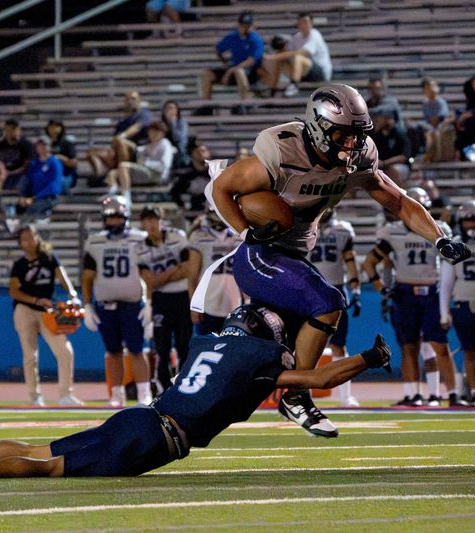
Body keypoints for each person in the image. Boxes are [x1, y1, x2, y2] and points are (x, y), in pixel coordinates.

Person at [192, 84, 473, 438]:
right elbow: (220, 188)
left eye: (357, 135)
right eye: (342, 133)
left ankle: (205, 395)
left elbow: (398, 201)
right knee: (327, 303)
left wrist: (440, 238)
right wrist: (244, 231)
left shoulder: (359, 157)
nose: (351, 143)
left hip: (293, 256)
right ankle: (296, 397)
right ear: (317, 126)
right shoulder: (282, 149)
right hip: (261, 253)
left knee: (269, 347)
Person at [0, 305, 392, 479]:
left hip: (142, 416)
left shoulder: (208, 345)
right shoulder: (256, 361)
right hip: (154, 437)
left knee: (41, 449)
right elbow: (319, 379)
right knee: (50, 466)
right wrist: (369, 358)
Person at [363, 187, 467, 407]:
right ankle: (413, 394)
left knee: (439, 345)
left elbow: (450, 264)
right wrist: (382, 288)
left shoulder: (440, 230)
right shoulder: (393, 232)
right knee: (409, 346)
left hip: (432, 291)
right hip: (405, 292)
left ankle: (451, 394)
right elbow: (369, 262)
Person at [82, 196, 153, 407]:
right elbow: (87, 276)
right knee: (113, 352)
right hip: (106, 305)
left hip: (132, 304)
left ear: (126, 218)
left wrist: (150, 302)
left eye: (117, 218)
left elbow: (148, 273)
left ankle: (143, 394)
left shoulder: (139, 238)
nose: (113, 222)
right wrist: (87, 305)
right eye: (109, 218)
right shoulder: (95, 240)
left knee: (136, 350)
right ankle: (116, 394)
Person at [9, 225, 83, 406]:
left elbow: (63, 278)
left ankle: (66, 394)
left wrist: (73, 295)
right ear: (20, 242)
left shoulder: (49, 258)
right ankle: (34, 396)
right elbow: (14, 291)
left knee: (65, 351)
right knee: (30, 355)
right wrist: (36, 300)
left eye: (32, 236)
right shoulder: (19, 265)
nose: (30, 241)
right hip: (25, 309)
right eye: (25, 238)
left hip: (48, 311)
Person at [136, 206, 197, 394]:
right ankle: (165, 391)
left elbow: (188, 268)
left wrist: (161, 276)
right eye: (147, 220)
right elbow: (150, 282)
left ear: (161, 220)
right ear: (142, 223)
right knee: (162, 349)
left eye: (154, 219)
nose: (151, 224)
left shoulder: (177, 236)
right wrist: (173, 271)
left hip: (181, 297)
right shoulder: (140, 247)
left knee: (184, 347)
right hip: (161, 299)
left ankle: (184, 388)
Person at [309, 209, 362, 406]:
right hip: (309, 289)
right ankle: (301, 394)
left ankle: (345, 396)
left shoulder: (343, 229)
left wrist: (355, 289)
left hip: (335, 289)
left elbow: (350, 259)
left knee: (339, 344)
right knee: (305, 344)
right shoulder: (302, 224)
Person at [440, 201, 475, 404]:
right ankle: (473, 391)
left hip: (465, 305)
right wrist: (444, 311)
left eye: (473, 220)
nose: (470, 225)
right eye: (467, 221)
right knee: (470, 352)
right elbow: (446, 283)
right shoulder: (455, 245)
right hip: (463, 304)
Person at [188, 207, 243, 336]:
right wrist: (194, 306)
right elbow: (192, 276)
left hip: (233, 303)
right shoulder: (199, 236)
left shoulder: (238, 236)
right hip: (208, 304)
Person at [106, 121, 175, 208]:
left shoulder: (165, 144)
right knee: (113, 173)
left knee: (123, 166)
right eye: (152, 131)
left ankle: (126, 200)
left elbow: (164, 166)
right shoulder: (149, 145)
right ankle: (111, 196)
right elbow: (136, 149)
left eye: (157, 132)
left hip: (157, 174)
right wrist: (122, 141)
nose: (154, 134)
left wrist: (146, 163)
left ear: (162, 134)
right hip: (145, 172)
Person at [86, 91, 151, 180]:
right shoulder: (123, 121)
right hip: (120, 149)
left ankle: (121, 175)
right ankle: (100, 177)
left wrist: (122, 136)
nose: (130, 101)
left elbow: (137, 127)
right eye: (128, 99)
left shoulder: (144, 114)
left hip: (138, 149)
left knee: (121, 142)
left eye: (133, 98)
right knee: (91, 153)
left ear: (139, 100)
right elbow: (114, 138)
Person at [201, 11, 264, 101]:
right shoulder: (232, 37)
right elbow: (218, 49)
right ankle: (206, 105)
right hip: (233, 69)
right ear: (238, 25)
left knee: (239, 72)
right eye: (243, 25)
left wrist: (231, 70)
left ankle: (244, 102)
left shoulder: (255, 39)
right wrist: (225, 62)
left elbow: (251, 60)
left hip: (250, 73)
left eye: (247, 26)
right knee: (207, 74)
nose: (245, 28)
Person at [265, 13, 331, 98]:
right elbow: (286, 52)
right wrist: (278, 51)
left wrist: (273, 57)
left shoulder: (315, 35)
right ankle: (273, 89)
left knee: (298, 57)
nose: (304, 25)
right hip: (303, 72)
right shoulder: (297, 37)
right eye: (302, 22)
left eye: (306, 22)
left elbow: (301, 53)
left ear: (311, 23)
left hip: (320, 72)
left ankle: (293, 85)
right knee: (281, 60)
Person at [17, 136, 64, 219]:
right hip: (33, 196)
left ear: (49, 147)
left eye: (44, 145)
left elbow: (53, 186)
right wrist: (23, 196)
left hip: (49, 197)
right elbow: (27, 181)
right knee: (18, 207)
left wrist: (34, 198)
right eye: (39, 145)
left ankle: (29, 229)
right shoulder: (34, 163)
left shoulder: (54, 163)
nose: (42, 147)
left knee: (33, 208)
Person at [371, 109, 412, 186]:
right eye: (383, 118)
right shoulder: (377, 134)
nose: (385, 121)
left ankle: (397, 194)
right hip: (380, 164)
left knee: (394, 170)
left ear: (393, 120)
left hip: (398, 165)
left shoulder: (400, 133)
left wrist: (385, 163)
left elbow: (404, 156)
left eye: (387, 118)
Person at [0, 119, 34, 190]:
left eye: (12, 129)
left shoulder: (27, 145)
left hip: (21, 174)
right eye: (7, 130)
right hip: (2, 174)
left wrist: (11, 172)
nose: (9, 132)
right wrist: (3, 171)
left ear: (18, 130)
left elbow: (27, 164)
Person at [170, 142, 211, 211]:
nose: (201, 154)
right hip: (192, 213)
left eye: (203, 151)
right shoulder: (185, 176)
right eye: (198, 152)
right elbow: (175, 192)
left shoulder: (217, 174)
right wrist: (183, 206)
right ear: (192, 155)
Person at [419, 78, 450, 162]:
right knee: (428, 134)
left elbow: (442, 116)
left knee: (435, 134)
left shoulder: (441, 102)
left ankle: (437, 155)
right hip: (431, 127)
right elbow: (427, 119)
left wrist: (434, 123)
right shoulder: (425, 103)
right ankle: (428, 155)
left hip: (441, 126)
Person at [45, 119, 79, 190]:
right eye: (51, 127)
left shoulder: (66, 143)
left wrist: (60, 157)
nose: (53, 129)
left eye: (56, 127)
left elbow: (73, 162)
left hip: (66, 175)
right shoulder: (46, 144)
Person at [161, 100, 190, 168]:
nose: (170, 111)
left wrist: (173, 123)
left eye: (172, 108)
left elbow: (178, 138)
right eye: (168, 108)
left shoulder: (182, 123)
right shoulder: (161, 124)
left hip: (179, 150)